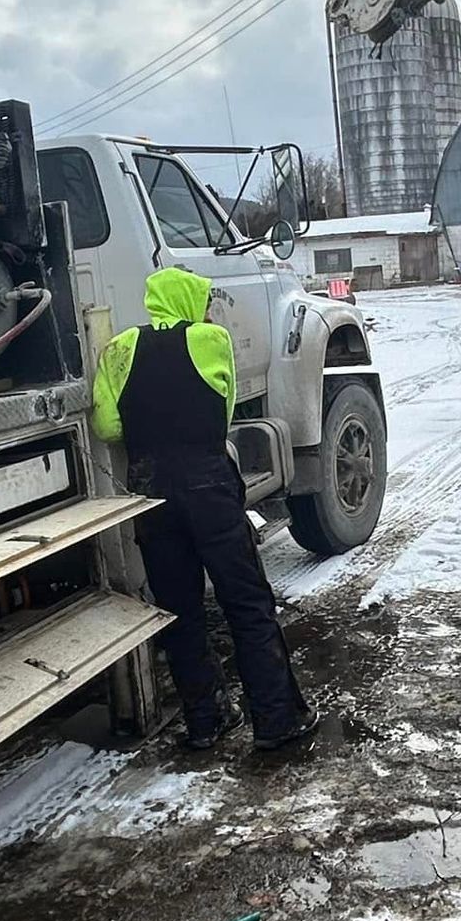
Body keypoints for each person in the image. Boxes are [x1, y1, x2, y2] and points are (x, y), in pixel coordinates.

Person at [92, 267, 319, 751]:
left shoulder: (118, 349)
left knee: (180, 609)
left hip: (150, 491)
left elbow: (109, 426)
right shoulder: (210, 338)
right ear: (192, 300)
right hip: (207, 484)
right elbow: (224, 408)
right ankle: (277, 720)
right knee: (246, 603)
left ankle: (206, 720)